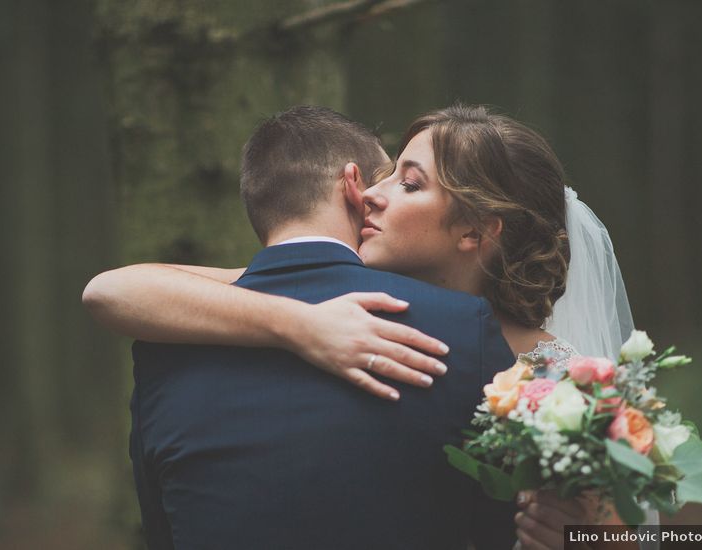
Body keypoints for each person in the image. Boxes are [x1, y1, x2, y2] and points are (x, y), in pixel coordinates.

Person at [84, 104, 642, 549]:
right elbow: (118, 289)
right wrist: (303, 324)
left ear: (473, 232)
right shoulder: (334, 308)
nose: (369, 194)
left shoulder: (558, 376)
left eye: (408, 183)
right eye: (388, 172)